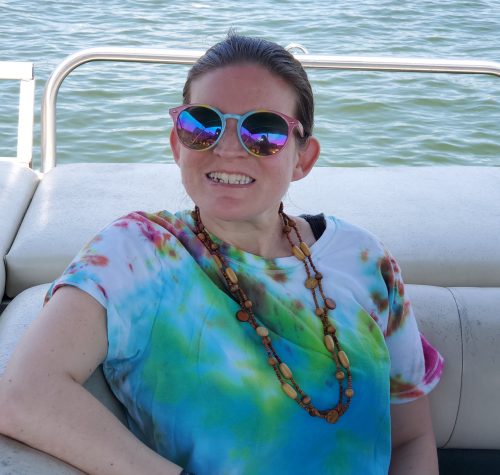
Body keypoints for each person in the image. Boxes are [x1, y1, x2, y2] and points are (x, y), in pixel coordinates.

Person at [0, 33, 443, 475]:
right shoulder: (139, 252)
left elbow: (410, 437)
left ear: (303, 158)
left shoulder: (365, 260)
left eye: (263, 131)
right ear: (177, 144)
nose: (227, 148)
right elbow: (23, 393)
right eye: (202, 124)